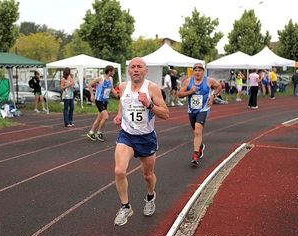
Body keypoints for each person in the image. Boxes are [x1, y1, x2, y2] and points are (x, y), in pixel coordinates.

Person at [112, 57, 169, 226]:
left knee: (147, 175)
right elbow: (124, 101)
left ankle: (150, 196)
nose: (136, 69)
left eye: (139, 67)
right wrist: (120, 114)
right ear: (128, 71)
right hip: (127, 136)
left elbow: (165, 114)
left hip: (146, 138)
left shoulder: (152, 88)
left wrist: (149, 104)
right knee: (119, 171)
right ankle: (125, 206)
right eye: (133, 67)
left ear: (145, 71)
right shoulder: (123, 86)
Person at [177, 63, 222, 165]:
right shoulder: (188, 81)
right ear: (193, 72)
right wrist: (190, 92)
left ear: (203, 71)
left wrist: (213, 95)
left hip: (203, 109)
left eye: (199, 70)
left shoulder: (209, 80)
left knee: (198, 131)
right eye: (195, 70)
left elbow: (219, 86)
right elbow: (179, 94)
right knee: (195, 131)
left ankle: (195, 155)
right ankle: (200, 146)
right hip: (192, 110)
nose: (197, 72)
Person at [86, 65, 115, 142]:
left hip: (105, 100)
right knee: (105, 117)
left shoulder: (111, 79)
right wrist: (92, 95)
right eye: (113, 71)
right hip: (99, 100)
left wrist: (115, 92)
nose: (114, 73)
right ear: (109, 71)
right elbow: (89, 84)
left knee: (99, 118)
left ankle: (91, 132)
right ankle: (99, 132)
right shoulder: (100, 78)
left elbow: (111, 88)